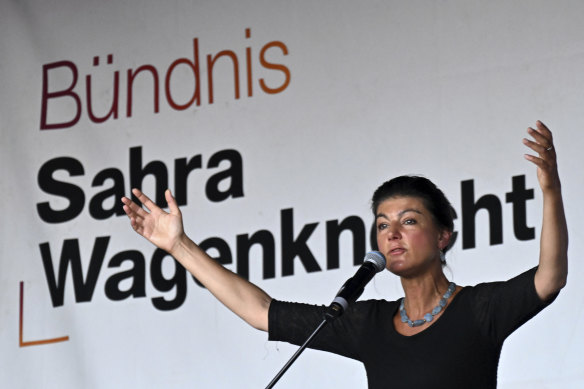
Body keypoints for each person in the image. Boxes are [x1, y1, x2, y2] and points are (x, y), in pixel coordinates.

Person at [121, 121, 567, 388]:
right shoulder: (365, 323)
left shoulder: (479, 310)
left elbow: (549, 277)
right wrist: (179, 245)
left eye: (409, 221)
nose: (392, 233)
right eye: (382, 225)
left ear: (443, 235)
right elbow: (260, 311)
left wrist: (549, 189)